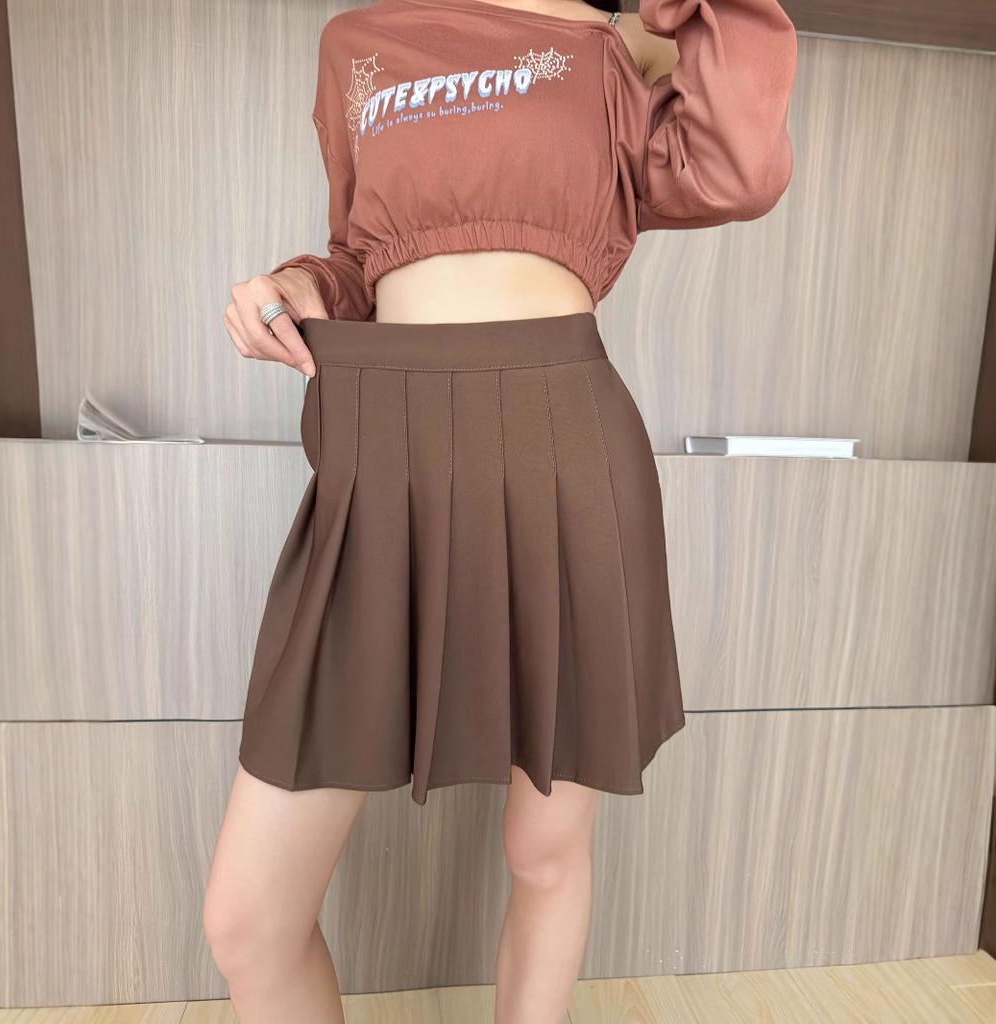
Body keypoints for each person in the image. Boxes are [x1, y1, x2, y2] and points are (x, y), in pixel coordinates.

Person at [206, 0, 797, 1021]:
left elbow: (738, 171)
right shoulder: (357, 43)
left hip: (561, 444)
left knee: (545, 851)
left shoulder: (612, 49)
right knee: (247, 918)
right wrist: (301, 282)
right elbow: (364, 253)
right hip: (384, 458)